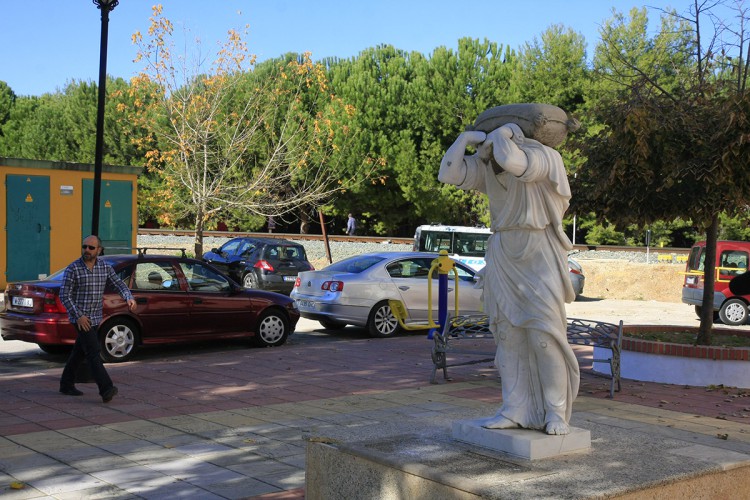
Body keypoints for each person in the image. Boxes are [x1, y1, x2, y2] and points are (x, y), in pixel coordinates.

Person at [438, 121, 579, 435]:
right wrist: (463, 139)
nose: (488, 152)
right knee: (508, 337)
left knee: (544, 337)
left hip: (539, 249)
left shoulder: (544, 157)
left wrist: (503, 133)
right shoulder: (491, 168)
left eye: (495, 144)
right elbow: (448, 172)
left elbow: (515, 162)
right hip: (503, 250)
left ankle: (555, 411)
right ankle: (514, 408)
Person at [59, 235, 136, 402]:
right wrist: (78, 316)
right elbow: (64, 295)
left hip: (95, 318)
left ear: (99, 250)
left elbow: (118, 284)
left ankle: (66, 384)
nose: (87, 250)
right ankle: (106, 389)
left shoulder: (104, 267)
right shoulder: (73, 269)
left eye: (91, 248)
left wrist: (128, 297)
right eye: (84, 246)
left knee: (79, 352)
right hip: (81, 319)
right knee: (94, 352)